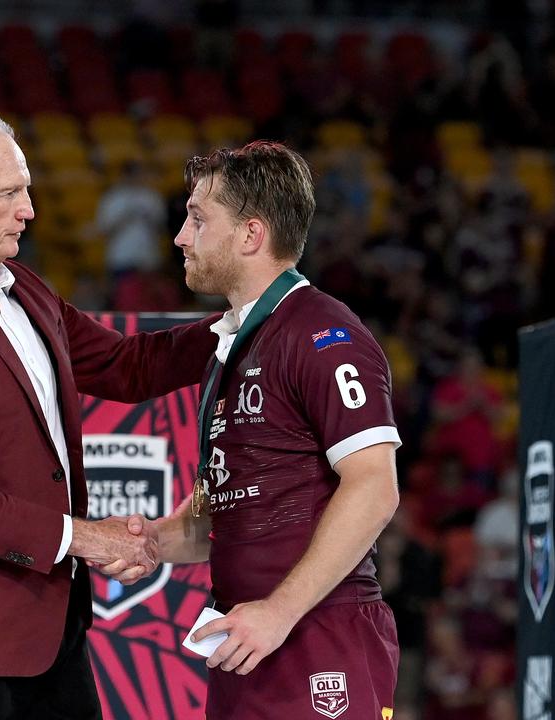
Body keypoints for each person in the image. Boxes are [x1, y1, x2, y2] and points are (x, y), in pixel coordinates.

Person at [0, 112, 217, 720]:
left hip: (52, 638)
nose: (29, 210)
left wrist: (247, 325)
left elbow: (129, 366)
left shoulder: (22, 287)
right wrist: (85, 537)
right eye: (11, 193)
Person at [105, 141, 401, 719]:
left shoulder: (324, 333)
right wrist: (149, 542)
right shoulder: (231, 345)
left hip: (318, 639)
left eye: (197, 219)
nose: (180, 237)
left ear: (251, 236)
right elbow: (233, 510)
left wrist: (279, 611)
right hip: (248, 643)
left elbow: (374, 486)